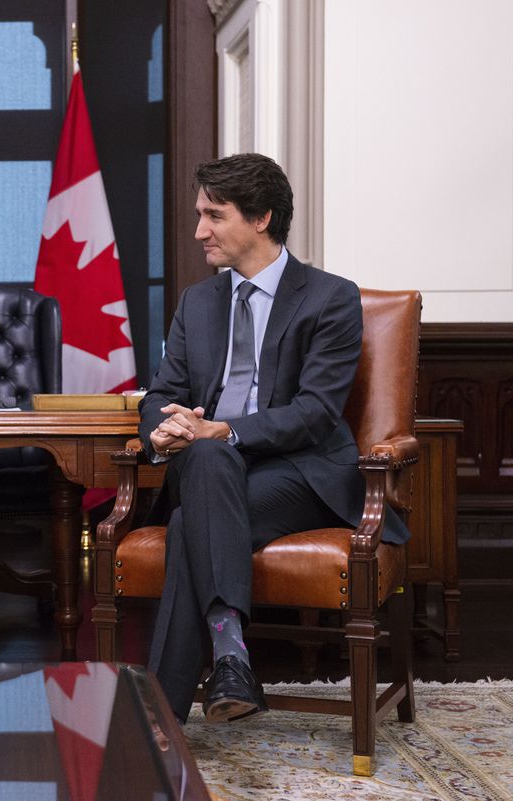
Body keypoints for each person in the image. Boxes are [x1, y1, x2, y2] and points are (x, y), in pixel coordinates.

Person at [138, 153, 409, 724]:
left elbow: (315, 412)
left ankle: (161, 716)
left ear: (261, 218)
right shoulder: (198, 301)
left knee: (193, 520)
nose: (199, 231)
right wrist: (166, 427)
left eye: (214, 215)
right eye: (199, 215)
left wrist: (225, 429)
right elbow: (162, 392)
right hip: (208, 466)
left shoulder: (330, 297)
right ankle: (231, 658)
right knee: (208, 458)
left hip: (300, 470)